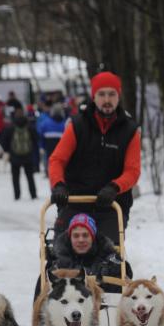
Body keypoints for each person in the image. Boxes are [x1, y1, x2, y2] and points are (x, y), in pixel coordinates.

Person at [48, 71, 141, 244]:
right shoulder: (77, 125)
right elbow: (57, 160)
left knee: (107, 252)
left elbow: (133, 171)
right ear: (94, 97)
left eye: (112, 94)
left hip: (111, 205)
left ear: (118, 96)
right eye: (102, 94)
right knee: (64, 250)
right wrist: (59, 186)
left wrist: (114, 187)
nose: (107, 100)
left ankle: (111, 269)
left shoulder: (130, 130)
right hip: (74, 202)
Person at [53, 213, 132, 286]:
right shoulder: (60, 260)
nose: (81, 240)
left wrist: (116, 267)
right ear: (70, 238)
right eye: (76, 236)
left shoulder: (106, 254)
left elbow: (126, 276)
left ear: (93, 237)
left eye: (85, 235)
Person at [0, 107, 38, 200]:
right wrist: (32, 150)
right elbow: (36, 139)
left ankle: (17, 195)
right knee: (30, 176)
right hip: (27, 155)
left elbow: (3, 140)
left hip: (14, 156)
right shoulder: (29, 126)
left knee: (15, 177)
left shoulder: (10, 127)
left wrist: (8, 150)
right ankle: (33, 194)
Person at [38, 102, 66, 175]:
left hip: (48, 148)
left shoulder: (45, 123)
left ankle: (48, 171)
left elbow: (41, 135)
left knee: (48, 158)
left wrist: (41, 146)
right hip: (61, 150)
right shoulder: (64, 124)